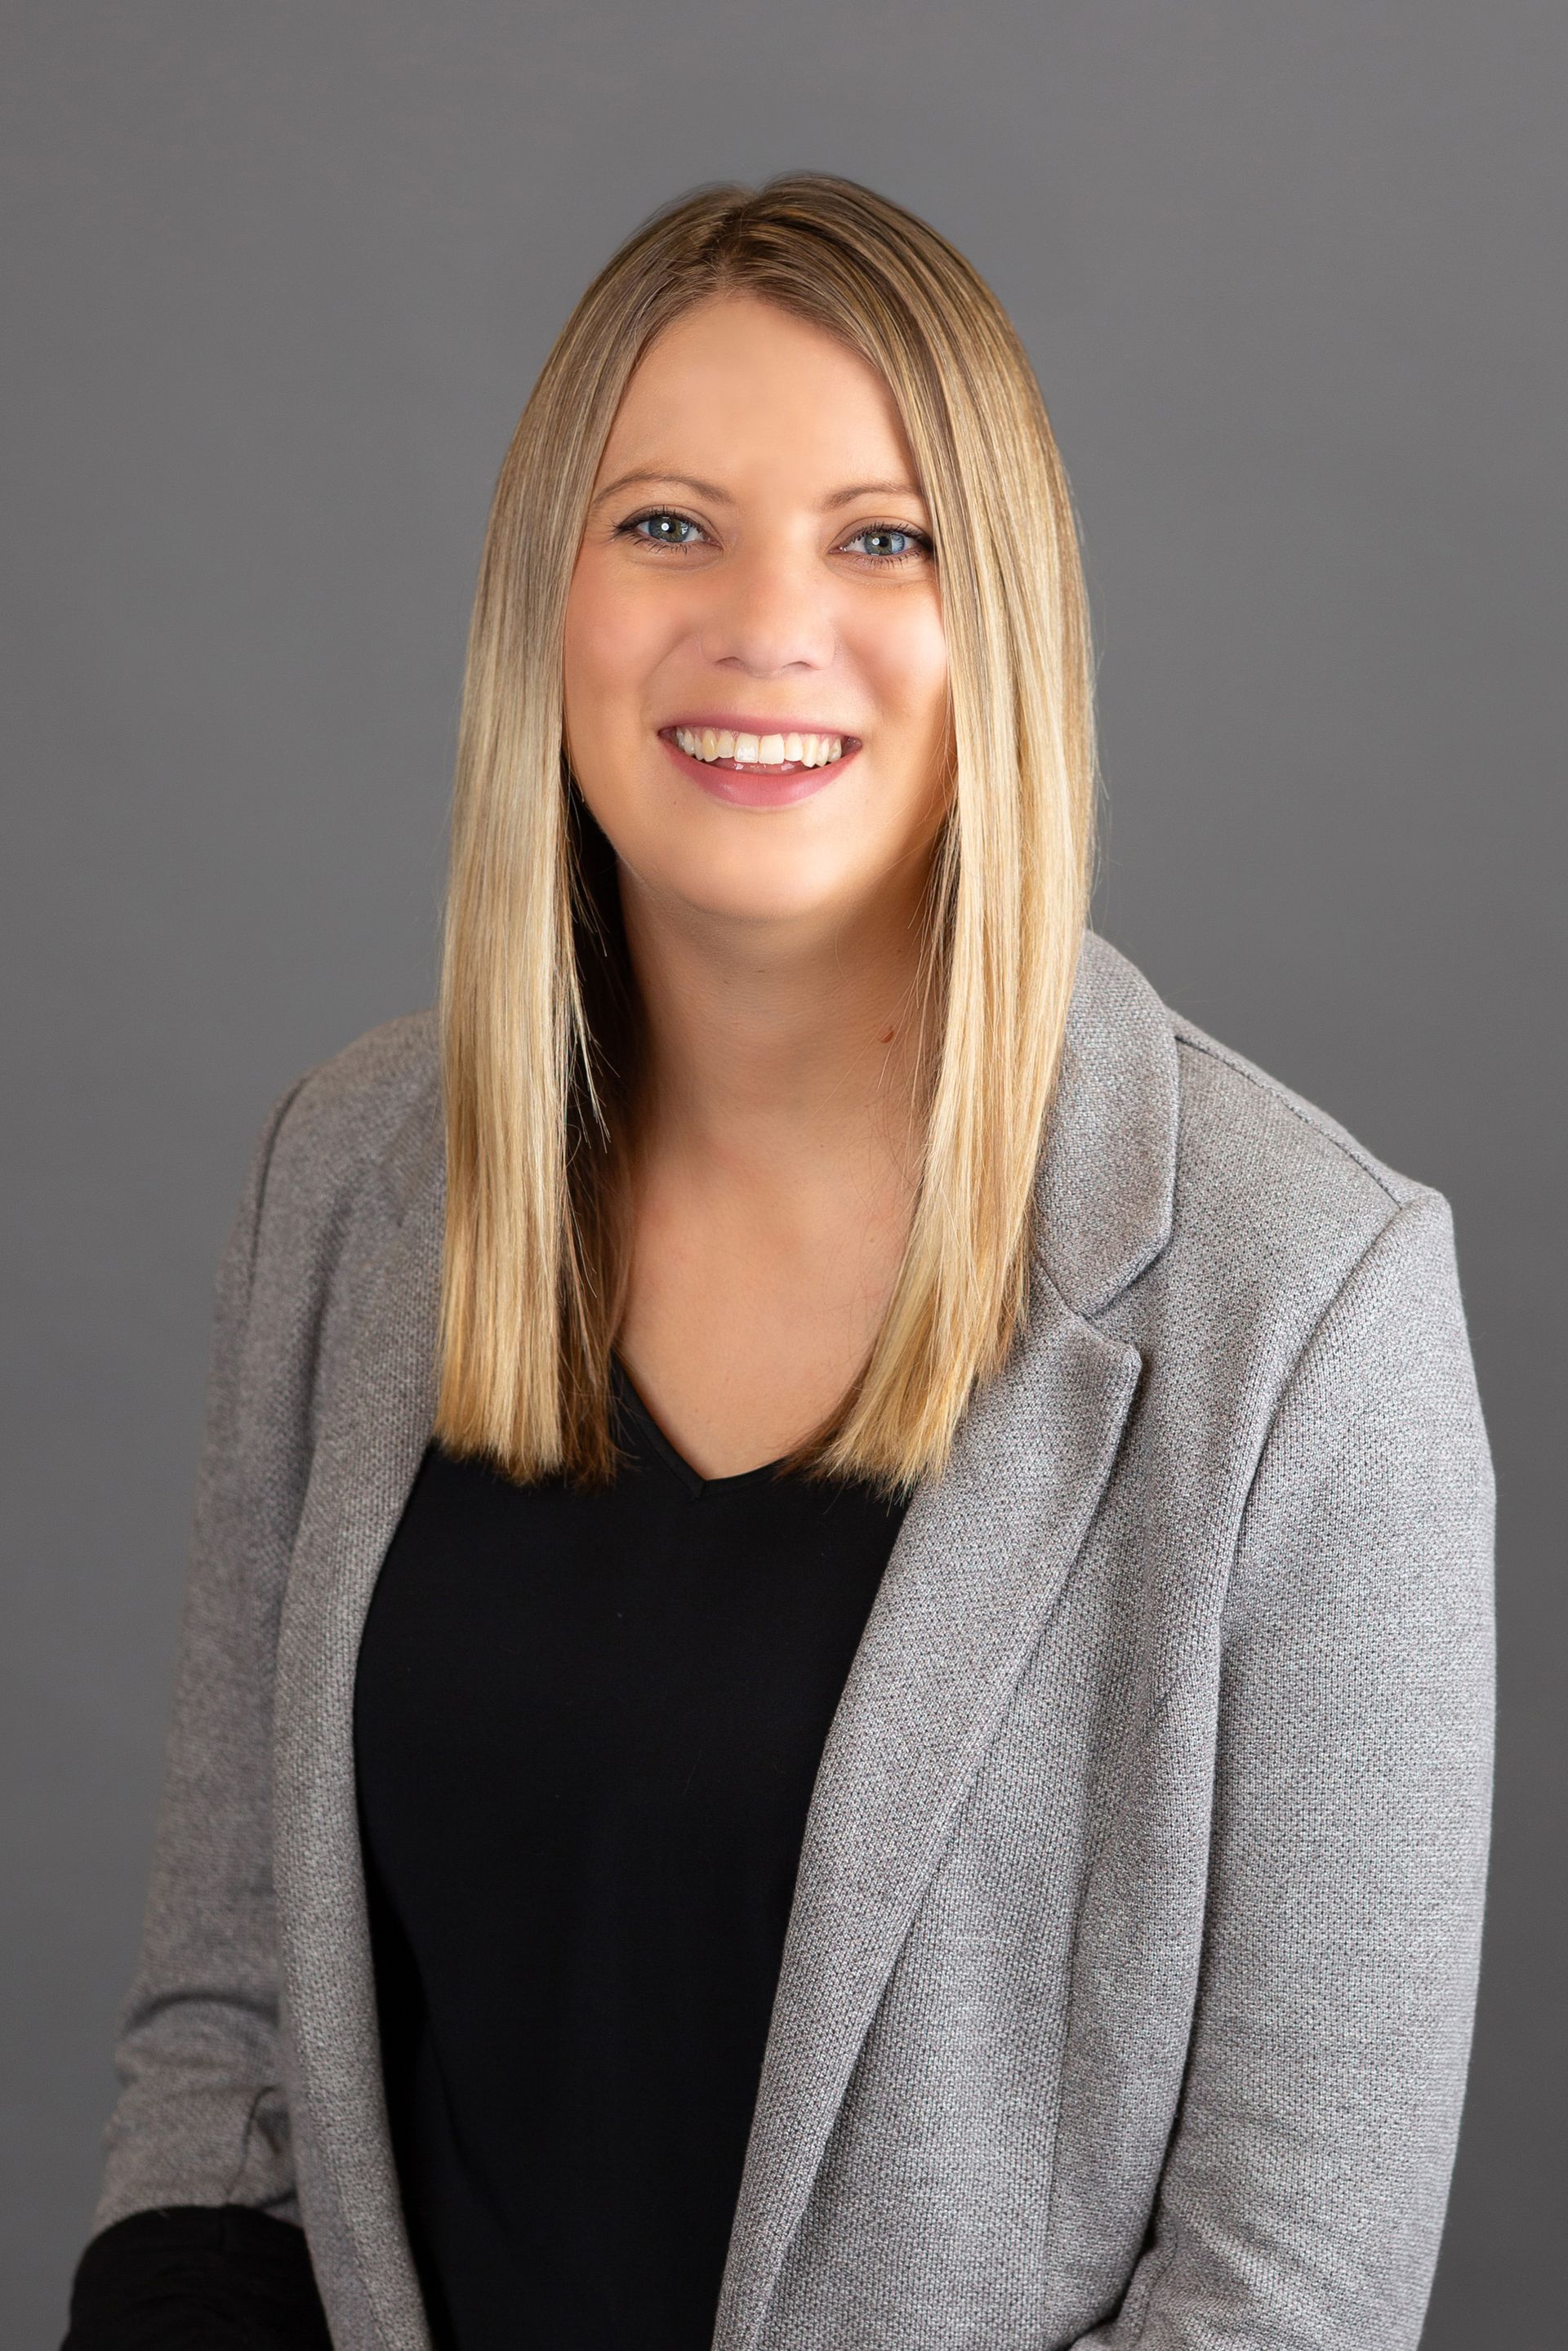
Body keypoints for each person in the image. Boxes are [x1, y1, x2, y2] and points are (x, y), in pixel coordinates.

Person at [60, 172, 1494, 2351]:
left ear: (999, 616)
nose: (762, 622)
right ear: (545, 596)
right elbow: (228, 2062)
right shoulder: (355, 1177)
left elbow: (1288, 2295)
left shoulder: (1311, 1308)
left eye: (880, 535)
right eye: (662, 524)